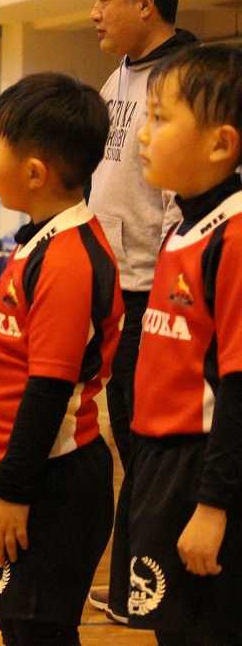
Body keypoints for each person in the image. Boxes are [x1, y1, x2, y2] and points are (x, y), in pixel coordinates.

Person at [0, 73, 122, 645]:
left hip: (49, 479)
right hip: (13, 468)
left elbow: (48, 388)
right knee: (16, 629)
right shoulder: (39, 240)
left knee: (38, 634)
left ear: (34, 172)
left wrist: (13, 492)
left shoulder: (69, 259)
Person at [86, 0, 196, 621]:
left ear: (145, 3)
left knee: (147, 445)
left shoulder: (184, 79)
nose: (94, 13)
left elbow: (182, 200)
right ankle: (134, 584)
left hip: (152, 289)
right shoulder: (115, 78)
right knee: (128, 437)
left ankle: (148, 585)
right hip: (113, 285)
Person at [122, 44, 242, 645]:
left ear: (221, 144)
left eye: (160, 118)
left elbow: (238, 388)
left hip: (203, 471)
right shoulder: (180, 228)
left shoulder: (234, 237)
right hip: (158, 464)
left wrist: (214, 506)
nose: (143, 135)